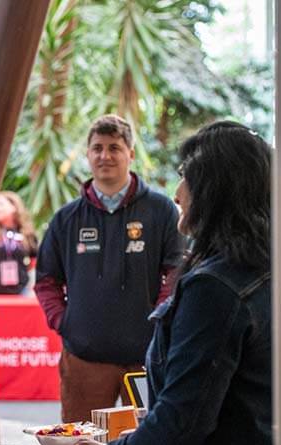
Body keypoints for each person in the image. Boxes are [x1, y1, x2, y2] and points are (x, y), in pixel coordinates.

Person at [75, 122, 272, 445]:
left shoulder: (214, 288)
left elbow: (180, 424)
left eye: (186, 176)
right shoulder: (270, 266)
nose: (178, 192)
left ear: (214, 189)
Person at [35, 114, 184, 422]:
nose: (105, 155)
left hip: (146, 358)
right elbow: (46, 279)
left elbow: (177, 270)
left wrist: (160, 320)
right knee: (80, 441)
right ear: (88, 155)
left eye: (115, 147)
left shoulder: (162, 210)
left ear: (130, 153)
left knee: (150, 440)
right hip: (84, 360)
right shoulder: (67, 218)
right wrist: (65, 322)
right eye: (97, 148)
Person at [0, 191, 38, 294]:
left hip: (21, 291)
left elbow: (34, 259)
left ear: (14, 207)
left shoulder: (27, 233)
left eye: (0, 204)